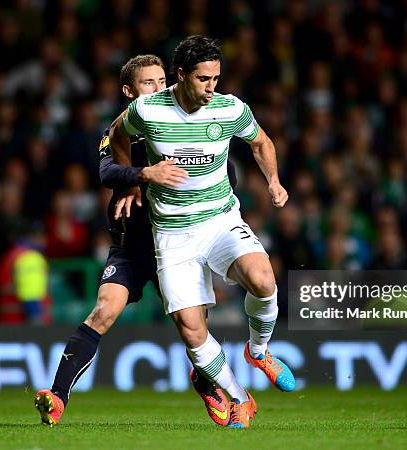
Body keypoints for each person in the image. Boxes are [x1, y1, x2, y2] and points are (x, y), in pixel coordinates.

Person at [35, 54, 237, 427]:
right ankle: (57, 396)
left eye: (163, 81)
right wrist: (141, 175)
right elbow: (108, 170)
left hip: (176, 245)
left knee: (196, 330)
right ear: (129, 91)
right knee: (104, 309)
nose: (159, 89)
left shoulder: (185, 124)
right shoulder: (118, 131)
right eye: (149, 83)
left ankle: (206, 384)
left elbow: (226, 175)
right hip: (131, 247)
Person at [108, 35, 295, 429]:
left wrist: (274, 181)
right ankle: (239, 398)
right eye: (204, 79)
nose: (213, 87)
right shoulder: (148, 110)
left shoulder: (229, 108)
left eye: (216, 78)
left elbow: (261, 142)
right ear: (180, 76)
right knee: (192, 330)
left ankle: (258, 352)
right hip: (174, 234)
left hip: (220, 220)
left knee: (263, 280)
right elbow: (117, 135)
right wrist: (129, 182)